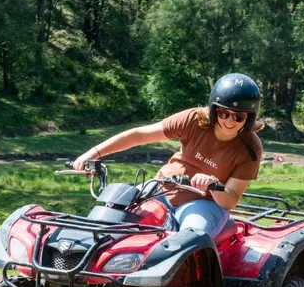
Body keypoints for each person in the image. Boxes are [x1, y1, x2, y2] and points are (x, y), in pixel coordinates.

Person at [73, 73, 264, 238]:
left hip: (204, 203)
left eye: (238, 117)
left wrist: (213, 185)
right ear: (214, 110)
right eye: (223, 113)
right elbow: (139, 135)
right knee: (112, 212)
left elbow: (230, 200)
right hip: (160, 188)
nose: (230, 121)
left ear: (249, 118)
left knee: (189, 239)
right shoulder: (193, 120)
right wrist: (94, 153)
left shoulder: (250, 148)